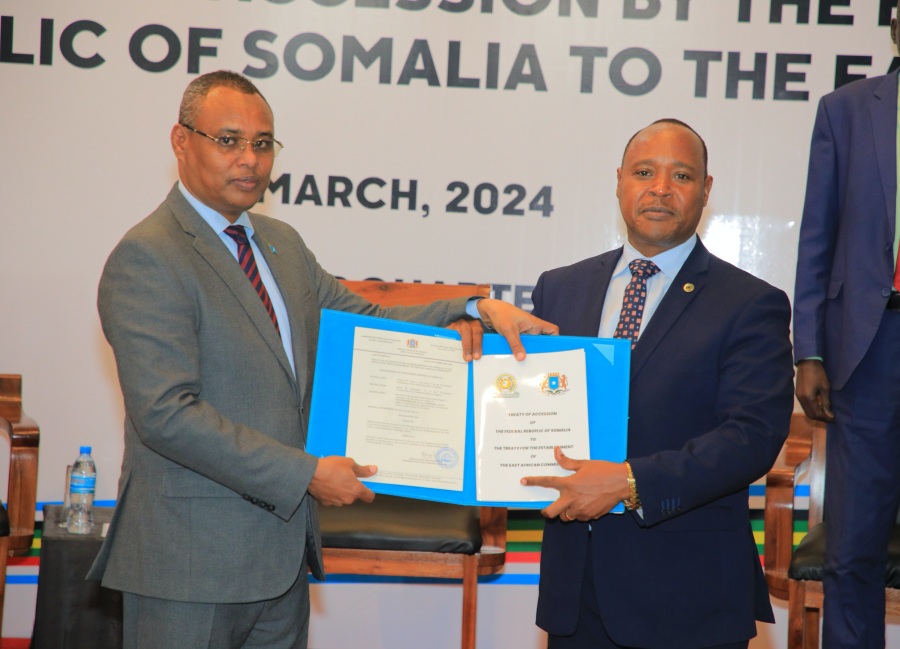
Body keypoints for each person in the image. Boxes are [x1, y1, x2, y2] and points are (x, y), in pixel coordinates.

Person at [90, 69, 557, 649]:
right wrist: (307, 473)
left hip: (282, 562)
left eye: (263, 144)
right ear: (181, 141)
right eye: (229, 140)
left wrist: (476, 308)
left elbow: (369, 327)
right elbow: (167, 414)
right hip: (192, 563)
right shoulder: (149, 256)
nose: (250, 159)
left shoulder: (280, 245)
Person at [521, 119, 795, 649]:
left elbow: (752, 437)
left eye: (682, 175)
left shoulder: (749, 303)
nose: (660, 188)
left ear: (706, 190)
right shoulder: (561, 288)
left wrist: (629, 483)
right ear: (620, 180)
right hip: (575, 593)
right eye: (644, 172)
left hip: (687, 595)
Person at [793, 5, 900, 646]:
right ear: (895, 23)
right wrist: (809, 349)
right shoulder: (847, 110)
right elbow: (817, 237)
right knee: (853, 549)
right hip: (871, 349)